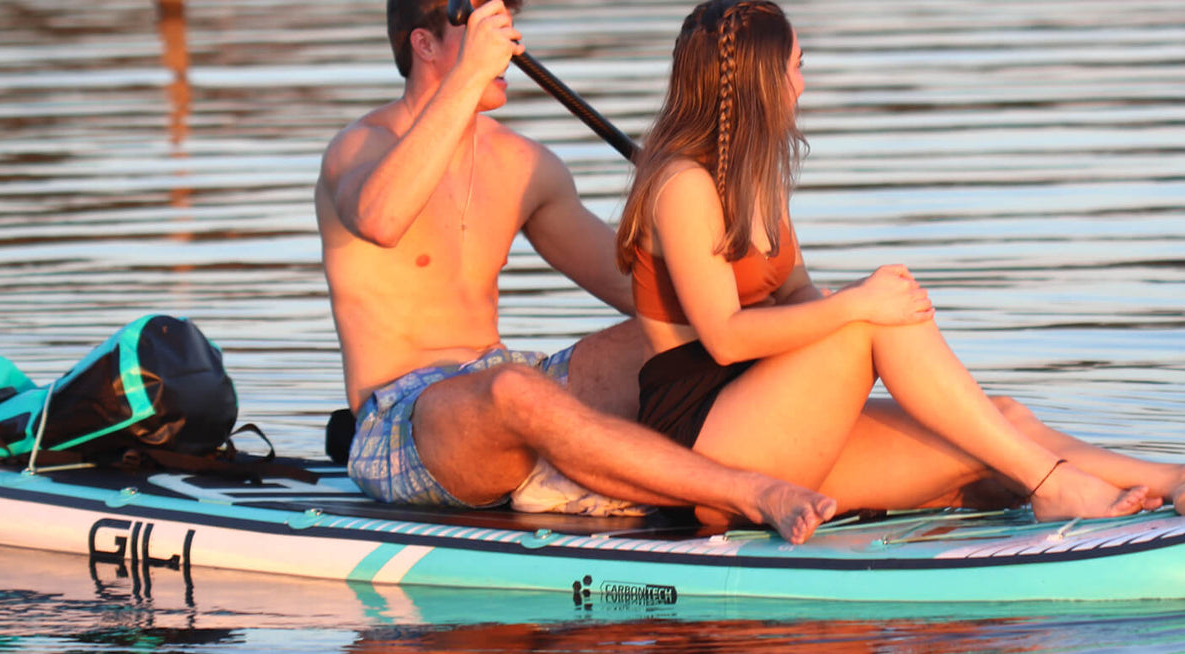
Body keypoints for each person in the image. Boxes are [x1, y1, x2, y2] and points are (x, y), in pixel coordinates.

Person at [614, 0, 1185, 525]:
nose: (803, 83)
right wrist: (857, 307)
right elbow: (726, 335)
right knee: (869, 318)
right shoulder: (684, 184)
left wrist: (852, 299)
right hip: (705, 440)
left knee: (995, 419)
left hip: (767, 412)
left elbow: (794, 298)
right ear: (764, 80)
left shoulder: (753, 179)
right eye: (797, 67)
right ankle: (1055, 488)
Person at [314, 0, 838, 543]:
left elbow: (646, 296)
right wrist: (469, 75)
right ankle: (747, 491)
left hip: (511, 378)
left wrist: (697, 221)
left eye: (508, 23)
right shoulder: (360, 146)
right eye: (481, 29)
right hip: (399, 420)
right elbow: (380, 220)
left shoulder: (525, 164)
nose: (508, 43)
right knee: (512, 390)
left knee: (688, 333)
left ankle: (815, 459)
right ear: (423, 44)